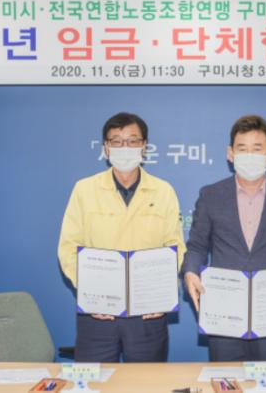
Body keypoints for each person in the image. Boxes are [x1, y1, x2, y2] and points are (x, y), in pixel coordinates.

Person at [181, 115, 266, 361]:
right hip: (225, 313)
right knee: (227, 380)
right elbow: (197, 246)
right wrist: (190, 271)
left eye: (257, 148)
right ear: (230, 153)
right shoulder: (211, 195)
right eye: (242, 149)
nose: (249, 155)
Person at [58, 112, 185, 362]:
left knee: (147, 382)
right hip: (97, 314)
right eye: (116, 141)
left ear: (144, 147)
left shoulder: (163, 191)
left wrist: (162, 295)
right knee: (95, 381)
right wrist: (90, 292)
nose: (124, 148)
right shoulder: (84, 189)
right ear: (106, 148)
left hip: (147, 314)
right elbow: (68, 247)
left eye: (132, 141)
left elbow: (176, 247)